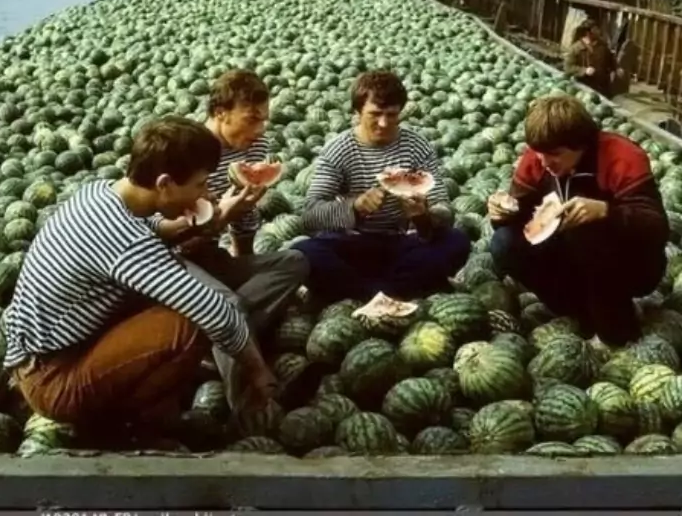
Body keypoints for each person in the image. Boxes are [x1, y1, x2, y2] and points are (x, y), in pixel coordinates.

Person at [3, 115, 276, 448]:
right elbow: (215, 311)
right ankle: (126, 425)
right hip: (53, 380)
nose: (206, 193)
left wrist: (206, 221)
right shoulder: (126, 243)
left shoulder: (99, 193)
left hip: (34, 355)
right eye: (200, 185)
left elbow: (146, 234)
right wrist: (259, 372)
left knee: (164, 295)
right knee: (189, 324)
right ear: (164, 184)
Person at [159, 69, 317, 409]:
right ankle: (249, 405)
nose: (260, 129)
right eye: (252, 119)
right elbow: (161, 236)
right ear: (220, 113)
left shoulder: (256, 144)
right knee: (229, 307)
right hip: (173, 261)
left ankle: (213, 341)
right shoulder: (186, 148)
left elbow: (244, 219)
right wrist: (221, 216)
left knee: (296, 261)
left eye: (264, 119)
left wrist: (239, 258)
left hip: (213, 255)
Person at [488, 95, 668, 347]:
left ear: (582, 144)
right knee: (503, 243)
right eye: (539, 153)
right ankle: (577, 310)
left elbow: (656, 227)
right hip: (570, 257)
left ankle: (616, 329)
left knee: (588, 231)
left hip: (633, 264)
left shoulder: (622, 157)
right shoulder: (537, 158)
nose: (545, 162)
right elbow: (520, 219)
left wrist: (607, 212)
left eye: (555, 154)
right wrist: (502, 213)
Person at [295, 70, 471, 303]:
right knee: (304, 252)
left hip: (402, 243)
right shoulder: (339, 149)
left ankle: (366, 293)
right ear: (357, 112)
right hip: (352, 243)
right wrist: (354, 207)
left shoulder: (416, 146)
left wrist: (423, 217)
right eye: (375, 114)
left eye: (391, 115)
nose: (383, 123)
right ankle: (395, 292)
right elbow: (310, 216)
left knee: (457, 241)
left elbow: (444, 210)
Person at [564, 18, 619, 98]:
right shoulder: (575, 48)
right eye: (595, 29)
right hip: (583, 87)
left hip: (602, 87)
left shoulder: (603, 47)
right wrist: (584, 70)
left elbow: (610, 61)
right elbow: (568, 67)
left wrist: (616, 70)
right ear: (588, 33)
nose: (599, 31)